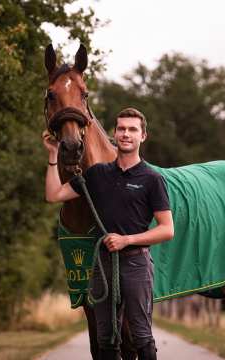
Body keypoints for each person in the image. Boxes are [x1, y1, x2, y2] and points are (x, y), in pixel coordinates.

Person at [43, 107, 174, 360]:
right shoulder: (97, 174)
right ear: (115, 133)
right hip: (102, 265)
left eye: (132, 129)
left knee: (141, 337)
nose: (126, 134)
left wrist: (127, 240)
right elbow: (53, 195)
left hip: (136, 263)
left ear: (143, 136)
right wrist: (52, 155)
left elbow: (167, 230)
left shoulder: (152, 179)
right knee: (106, 339)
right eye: (122, 129)